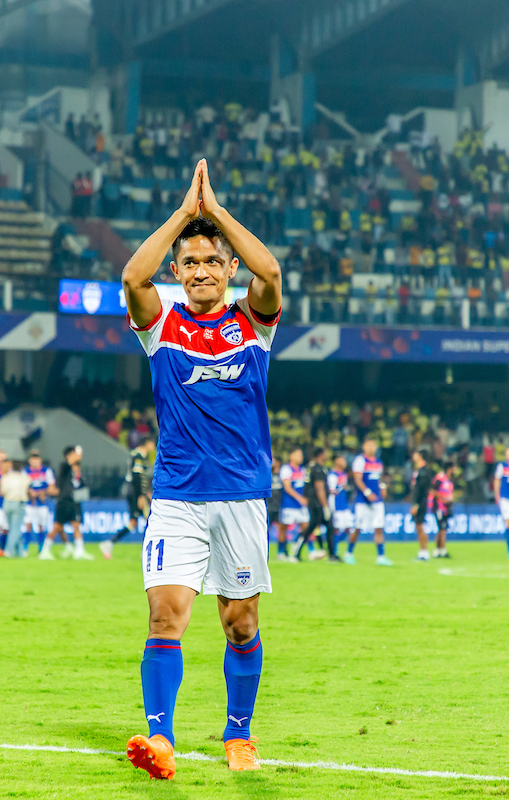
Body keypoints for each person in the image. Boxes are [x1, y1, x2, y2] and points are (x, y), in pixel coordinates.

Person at [122, 159, 281, 778]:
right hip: (177, 497)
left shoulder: (252, 322)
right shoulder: (162, 324)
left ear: (229, 269)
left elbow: (271, 272)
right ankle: (160, 739)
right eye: (190, 262)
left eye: (213, 261)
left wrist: (215, 214)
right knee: (165, 615)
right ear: (177, 272)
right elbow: (133, 276)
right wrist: (183, 216)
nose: (202, 270)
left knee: (240, 623)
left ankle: (238, 734)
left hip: (240, 496)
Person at [102, 437, 155, 559]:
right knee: (150, 521)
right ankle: (147, 551)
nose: (154, 445)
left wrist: (146, 493)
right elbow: (136, 477)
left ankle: (109, 543)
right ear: (147, 443)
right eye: (152, 443)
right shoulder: (138, 456)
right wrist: (141, 495)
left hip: (136, 493)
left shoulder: (139, 455)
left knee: (134, 522)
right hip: (135, 493)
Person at [41, 445, 93, 560]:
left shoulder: (75, 471)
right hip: (63, 502)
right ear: (69, 455)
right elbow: (69, 463)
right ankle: (45, 551)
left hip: (72, 502)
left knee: (76, 525)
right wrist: (78, 454)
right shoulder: (64, 466)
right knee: (57, 527)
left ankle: (79, 551)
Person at [345, 438, 390, 565]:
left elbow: (379, 479)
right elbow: (357, 479)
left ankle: (381, 556)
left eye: (373, 445)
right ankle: (349, 553)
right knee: (358, 527)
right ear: (364, 447)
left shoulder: (378, 462)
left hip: (377, 500)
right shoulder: (360, 460)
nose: (371, 447)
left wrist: (383, 487)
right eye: (369, 445)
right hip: (362, 500)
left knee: (378, 528)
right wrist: (367, 492)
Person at [295, 447, 330, 561]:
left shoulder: (309, 467)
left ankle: (330, 553)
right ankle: (297, 551)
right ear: (321, 455)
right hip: (317, 502)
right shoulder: (318, 468)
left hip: (312, 501)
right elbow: (319, 488)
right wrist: (325, 506)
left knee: (325, 525)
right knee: (312, 526)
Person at [276, 447, 308, 563]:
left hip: (300, 506)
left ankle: (296, 548)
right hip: (288, 504)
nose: (301, 457)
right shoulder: (286, 469)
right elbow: (287, 487)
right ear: (291, 456)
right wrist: (300, 498)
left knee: (306, 526)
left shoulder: (303, 470)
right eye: (298, 455)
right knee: (283, 528)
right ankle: (281, 552)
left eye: (301, 455)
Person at [406, 449, 436, 563]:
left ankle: (424, 552)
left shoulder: (423, 472)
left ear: (420, 456)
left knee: (420, 526)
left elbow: (420, 490)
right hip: (420, 502)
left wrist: (415, 504)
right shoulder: (419, 470)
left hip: (420, 502)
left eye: (415, 454)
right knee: (419, 527)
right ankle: (422, 552)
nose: (413, 456)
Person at [24, 451, 55, 552]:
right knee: (27, 524)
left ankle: (41, 548)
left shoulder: (46, 471)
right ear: (30, 460)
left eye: (37, 459)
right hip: (29, 502)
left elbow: (52, 487)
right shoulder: (25, 471)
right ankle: (25, 548)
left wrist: (43, 492)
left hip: (42, 503)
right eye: (33, 459)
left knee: (41, 525)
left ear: (40, 460)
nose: (35, 461)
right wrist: (29, 492)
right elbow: (22, 485)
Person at [0, 458, 31, 557]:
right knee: (16, 529)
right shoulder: (25, 478)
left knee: (13, 528)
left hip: (7, 503)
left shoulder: (6, 477)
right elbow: (27, 488)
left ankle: (20, 551)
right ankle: (8, 550)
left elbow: (2, 492)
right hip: (18, 503)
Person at [324, 454, 351, 562]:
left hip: (344, 505)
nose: (344, 462)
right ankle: (333, 552)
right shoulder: (332, 475)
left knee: (348, 528)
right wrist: (337, 489)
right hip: (336, 506)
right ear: (336, 461)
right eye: (342, 460)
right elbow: (330, 490)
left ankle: (332, 547)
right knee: (336, 529)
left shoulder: (344, 474)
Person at [430, 465, 454, 559]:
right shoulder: (440, 479)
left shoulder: (449, 481)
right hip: (439, 507)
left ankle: (440, 550)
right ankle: (439, 550)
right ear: (449, 469)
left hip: (446, 508)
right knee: (442, 528)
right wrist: (443, 499)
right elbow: (432, 491)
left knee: (442, 529)